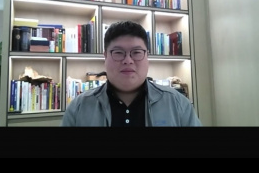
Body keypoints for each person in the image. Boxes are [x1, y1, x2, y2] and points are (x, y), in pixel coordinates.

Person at [61, 20, 202, 126]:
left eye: (136, 52)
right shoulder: (79, 107)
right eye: (118, 52)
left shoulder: (178, 104)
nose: (128, 60)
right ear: (105, 57)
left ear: (147, 57)